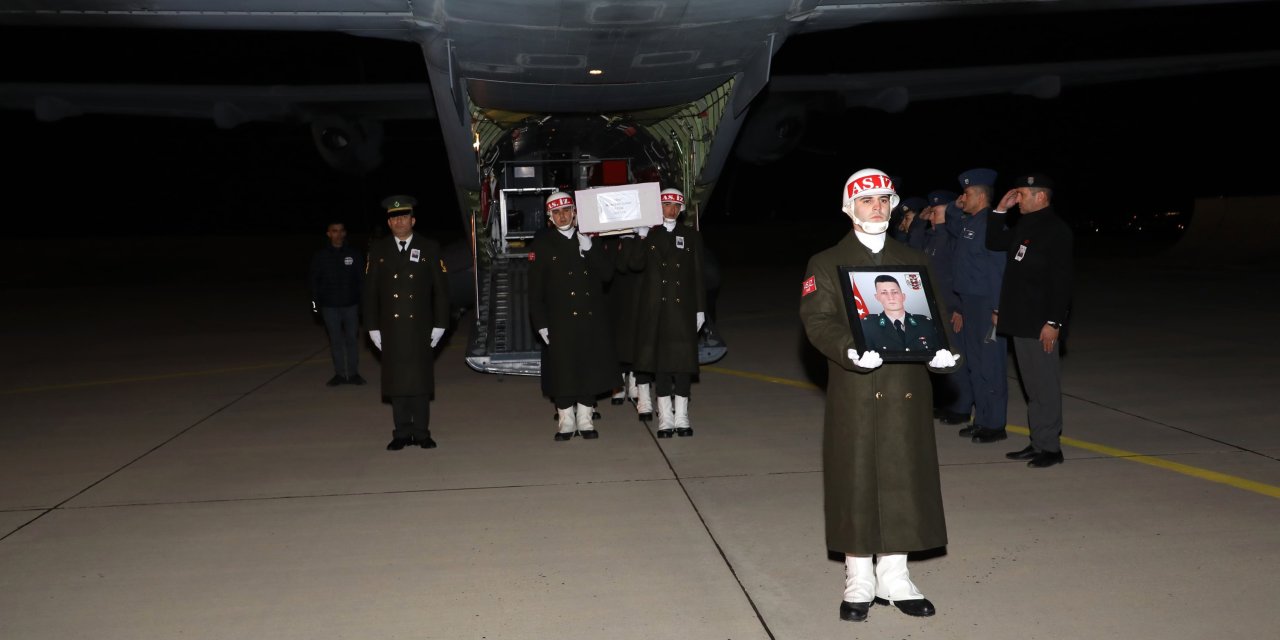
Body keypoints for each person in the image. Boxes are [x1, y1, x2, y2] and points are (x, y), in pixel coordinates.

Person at [800, 168, 960, 622]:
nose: (878, 208)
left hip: (906, 387)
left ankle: (895, 574)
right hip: (856, 387)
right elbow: (818, 321)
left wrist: (942, 355)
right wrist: (848, 349)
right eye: (867, 201)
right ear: (849, 208)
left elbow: (936, 319)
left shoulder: (915, 261)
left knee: (904, 475)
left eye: (884, 200)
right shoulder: (826, 262)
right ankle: (858, 576)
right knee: (855, 478)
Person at [989, 174, 1073, 468]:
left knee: (1045, 386)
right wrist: (1000, 209)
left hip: (1041, 324)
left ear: (1041, 197)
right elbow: (994, 240)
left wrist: (1054, 323)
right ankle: (1038, 442)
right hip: (1022, 321)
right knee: (1032, 387)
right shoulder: (1025, 225)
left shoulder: (1056, 230)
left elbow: (1062, 282)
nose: (1018, 199)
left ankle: (1051, 448)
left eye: (1022, 194)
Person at [528, 191, 620, 441]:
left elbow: (607, 275)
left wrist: (590, 249)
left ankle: (586, 420)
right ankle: (566, 422)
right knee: (563, 371)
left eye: (566, 211)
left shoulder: (590, 241)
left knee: (588, 368)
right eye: (556, 213)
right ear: (549, 217)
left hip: (590, 319)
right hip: (559, 320)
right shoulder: (542, 245)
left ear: (574, 213)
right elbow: (535, 291)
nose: (562, 216)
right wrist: (541, 324)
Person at [362, 195, 450, 451]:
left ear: (413, 220)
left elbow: (441, 290)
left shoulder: (429, 247)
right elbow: (370, 292)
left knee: (420, 382)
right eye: (394, 217)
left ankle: (422, 432)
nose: (399, 221)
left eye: (404, 216)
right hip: (391, 326)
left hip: (420, 325)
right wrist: (372, 326)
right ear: (389, 223)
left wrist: (441, 323)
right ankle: (401, 432)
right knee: (396, 381)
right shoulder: (378, 250)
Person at [630, 187, 705, 437]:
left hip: (681, 310)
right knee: (661, 365)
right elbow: (635, 265)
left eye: (675, 206)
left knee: (682, 365)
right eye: (666, 205)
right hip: (657, 310)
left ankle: (682, 416)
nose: (671, 210)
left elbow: (697, 275)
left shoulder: (690, 236)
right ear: (658, 207)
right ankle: (665, 417)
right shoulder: (650, 235)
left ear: (681, 209)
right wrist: (640, 238)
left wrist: (700, 309)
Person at [948, 168, 1009, 444]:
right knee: (974, 364)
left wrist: (998, 307)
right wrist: (955, 205)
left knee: (990, 365)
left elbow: (998, 271)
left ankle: (995, 424)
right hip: (970, 302)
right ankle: (981, 419)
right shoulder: (970, 223)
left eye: (968, 193)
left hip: (986, 304)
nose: (963, 197)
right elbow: (949, 222)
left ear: (982, 196)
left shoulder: (991, 226)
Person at [921, 190, 972, 425]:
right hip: (933, 308)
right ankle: (948, 404)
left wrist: (960, 308)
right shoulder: (933, 237)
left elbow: (960, 276)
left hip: (951, 310)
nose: (932, 216)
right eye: (931, 211)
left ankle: (961, 407)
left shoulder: (954, 239)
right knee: (939, 358)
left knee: (955, 359)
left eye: (937, 211)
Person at [309, 221, 366, 386]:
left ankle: (354, 373)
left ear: (345, 233)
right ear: (328, 234)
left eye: (341, 231)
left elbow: (362, 280)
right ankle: (340, 374)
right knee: (335, 341)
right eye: (334, 231)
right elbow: (314, 282)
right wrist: (315, 306)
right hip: (329, 306)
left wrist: (363, 305)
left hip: (351, 305)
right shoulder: (320, 256)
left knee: (352, 340)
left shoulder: (354, 254)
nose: (338, 234)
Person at [859, 275, 943, 353]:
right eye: (884, 293)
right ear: (877, 297)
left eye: (895, 292)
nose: (891, 297)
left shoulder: (925, 323)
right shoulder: (868, 326)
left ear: (903, 296)